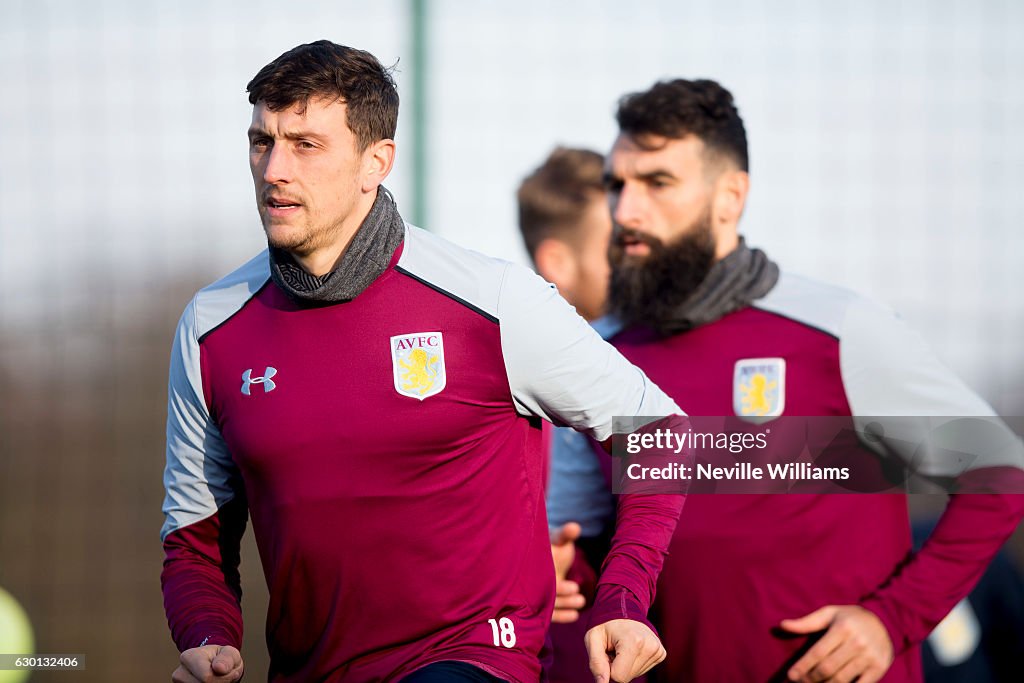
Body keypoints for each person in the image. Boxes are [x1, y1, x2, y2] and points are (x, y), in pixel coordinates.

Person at [160, 41, 686, 683]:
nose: (274, 169)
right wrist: (206, 632)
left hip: (473, 660)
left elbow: (660, 433)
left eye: (306, 144)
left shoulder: (494, 300)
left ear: (375, 161)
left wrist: (625, 599)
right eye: (261, 142)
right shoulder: (212, 327)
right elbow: (194, 536)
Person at [552, 78, 1024, 683]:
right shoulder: (602, 357)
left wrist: (892, 620)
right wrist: (565, 571)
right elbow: (585, 540)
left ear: (731, 196)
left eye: (658, 182)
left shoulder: (839, 330)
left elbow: (998, 474)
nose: (626, 211)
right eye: (618, 185)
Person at [515, 147, 620, 683]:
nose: (636, 253)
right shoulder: (594, 358)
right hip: (573, 618)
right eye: (617, 244)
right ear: (558, 261)